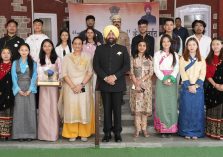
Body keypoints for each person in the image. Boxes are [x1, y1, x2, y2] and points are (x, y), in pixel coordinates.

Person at [93, 25, 130, 142]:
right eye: (108, 34)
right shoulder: (99, 49)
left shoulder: (122, 49)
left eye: (113, 34)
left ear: (117, 36)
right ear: (105, 36)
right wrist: (105, 77)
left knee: (117, 110)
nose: (111, 36)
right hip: (104, 84)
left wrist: (114, 76)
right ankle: (107, 133)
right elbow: (96, 66)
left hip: (118, 84)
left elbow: (126, 66)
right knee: (107, 110)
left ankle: (117, 133)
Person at [59, 37, 95, 142]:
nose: (77, 46)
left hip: (84, 85)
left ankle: (84, 133)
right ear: (72, 45)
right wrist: (73, 86)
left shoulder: (88, 57)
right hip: (70, 86)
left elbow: (89, 72)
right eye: (75, 44)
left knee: (83, 107)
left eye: (80, 44)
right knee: (71, 109)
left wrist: (81, 85)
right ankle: (72, 133)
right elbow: (64, 74)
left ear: (82, 45)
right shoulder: (66, 58)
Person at [178, 38, 206, 140]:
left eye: (194, 44)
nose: (192, 46)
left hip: (198, 89)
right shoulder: (182, 58)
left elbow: (203, 73)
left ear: (197, 46)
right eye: (189, 45)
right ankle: (186, 131)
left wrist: (196, 85)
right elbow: (182, 72)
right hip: (186, 88)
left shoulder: (202, 59)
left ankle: (197, 132)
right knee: (186, 110)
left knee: (197, 111)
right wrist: (189, 85)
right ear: (187, 46)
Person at [153, 34, 179, 137]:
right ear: (161, 43)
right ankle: (162, 129)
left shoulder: (175, 54)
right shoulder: (157, 54)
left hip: (172, 81)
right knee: (161, 103)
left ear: (171, 43)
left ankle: (171, 129)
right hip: (161, 80)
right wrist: (164, 78)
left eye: (168, 41)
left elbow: (176, 68)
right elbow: (156, 68)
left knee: (172, 103)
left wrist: (171, 78)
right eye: (164, 41)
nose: (166, 43)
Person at [11, 43, 37, 141]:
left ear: (29, 51)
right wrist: (18, 89)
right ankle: (19, 135)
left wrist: (30, 89)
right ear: (19, 51)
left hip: (29, 87)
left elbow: (34, 76)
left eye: (26, 50)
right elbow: (13, 77)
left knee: (30, 110)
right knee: (19, 111)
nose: (24, 52)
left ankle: (30, 135)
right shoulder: (15, 63)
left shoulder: (33, 63)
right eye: (22, 50)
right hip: (19, 87)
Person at [37, 39, 61, 141]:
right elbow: (38, 72)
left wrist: (58, 79)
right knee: (44, 109)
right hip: (43, 86)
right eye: (45, 46)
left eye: (49, 45)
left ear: (52, 47)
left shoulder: (57, 59)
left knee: (53, 109)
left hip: (53, 87)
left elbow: (60, 72)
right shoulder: (39, 59)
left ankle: (53, 134)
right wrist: (40, 78)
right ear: (42, 48)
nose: (47, 48)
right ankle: (43, 135)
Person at [129, 39, 153, 138]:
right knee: (137, 109)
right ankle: (137, 130)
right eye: (140, 45)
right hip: (136, 86)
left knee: (145, 109)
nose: (142, 47)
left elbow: (151, 72)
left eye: (144, 45)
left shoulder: (150, 58)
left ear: (146, 47)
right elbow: (131, 72)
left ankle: (144, 129)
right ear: (137, 47)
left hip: (146, 86)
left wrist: (141, 80)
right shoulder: (133, 58)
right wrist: (136, 82)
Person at [205, 37, 223, 140]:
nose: (215, 46)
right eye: (213, 44)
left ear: (222, 45)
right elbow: (207, 74)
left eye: (217, 44)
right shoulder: (208, 59)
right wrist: (215, 84)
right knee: (213, 109)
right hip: (212, 87)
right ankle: (212, 132)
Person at [0, 48, 14, 140]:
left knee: (9, 111)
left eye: (8, 53)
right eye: (3, 53)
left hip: (10, 92)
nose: (6, 55)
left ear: (11, 55)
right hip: (0, 92)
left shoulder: (14, 66)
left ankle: (8, 135)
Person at [83, 28, 100, 98]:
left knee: (93, 89)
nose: (89, 34)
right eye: (88, 32)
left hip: (94, 69)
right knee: (85, 88)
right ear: (86, 34)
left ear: (94, 34)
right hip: (84, 70)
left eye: (91, 32)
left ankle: (92, 107)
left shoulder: (98, 44)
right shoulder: (82, 44)